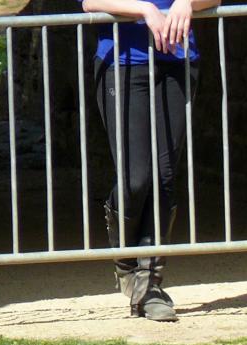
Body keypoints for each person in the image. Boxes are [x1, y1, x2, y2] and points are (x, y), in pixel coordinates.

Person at [81, 0, 219, 321]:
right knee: (136, 176)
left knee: (165, 175)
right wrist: (145, 9)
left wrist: (187, 2)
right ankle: (126, 263)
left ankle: (150, 282)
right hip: (122, 63)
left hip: (177, 62)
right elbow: (90, 2)